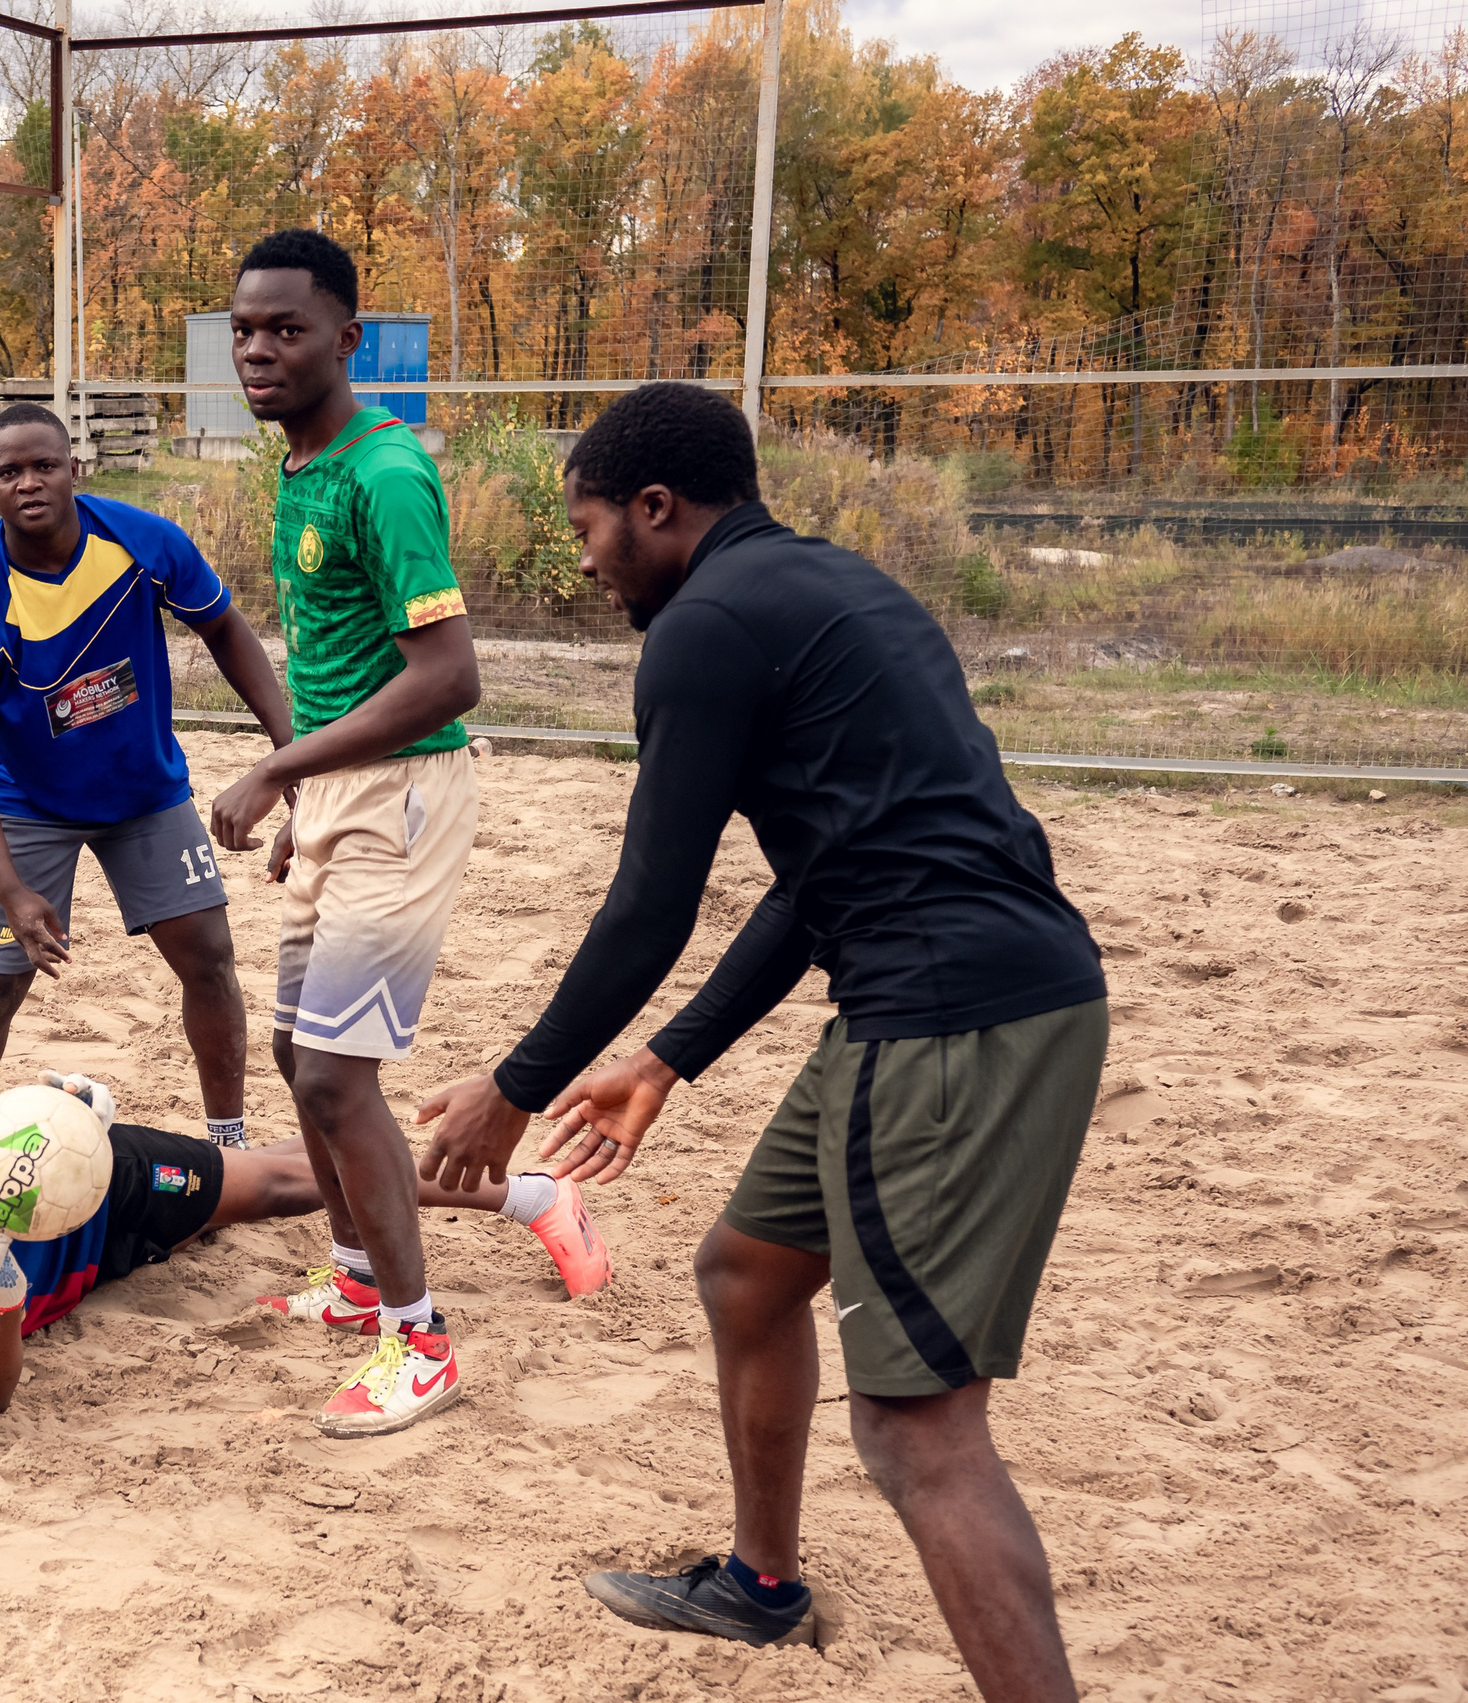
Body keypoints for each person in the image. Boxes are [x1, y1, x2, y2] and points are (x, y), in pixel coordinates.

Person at [416, 383, 1107, 1700]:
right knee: (745, 1272)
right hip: (962, 992)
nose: (585, 559)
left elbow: (649, 907)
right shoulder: (841, 588)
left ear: (655, 507)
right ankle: (760, 1583)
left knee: (918, 1432)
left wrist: (514, 1087)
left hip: (947, 1021)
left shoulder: (702, 628)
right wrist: (664, 1058)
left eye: (590, 528)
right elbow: (814, 879)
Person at [204, 230, 499, 1440]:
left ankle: (419, 1341)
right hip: (339, 794)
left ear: (346, 337)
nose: (259, 350)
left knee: (334, 1074)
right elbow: (343, 659)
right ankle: (359, 1277)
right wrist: (306, 801)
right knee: (294, 1053)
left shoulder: (385, 472)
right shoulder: (300, 462)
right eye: (244, 329)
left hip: (404, 793)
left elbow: (449, 676)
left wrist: (279, 767)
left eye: (286, 329)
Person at [0, 1072, 609, 1414]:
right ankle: (383, 1179)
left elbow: (15, 1133)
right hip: (103, 1265)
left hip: (106, 1185)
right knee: (299, 1166)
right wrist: (2, 1305)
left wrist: (68, 1103)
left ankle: (535, 1196)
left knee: (290, 1185)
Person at [0, 404, 293, 1142]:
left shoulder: (142, 542)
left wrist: (289, 754)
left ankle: (228, 1141)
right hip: (26, 802)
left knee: (211, 961)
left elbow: (224, 627)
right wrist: (10, 886)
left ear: (74, 469)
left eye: (44, 465)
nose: (28, 482)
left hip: (144, 792)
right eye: (8, 472)